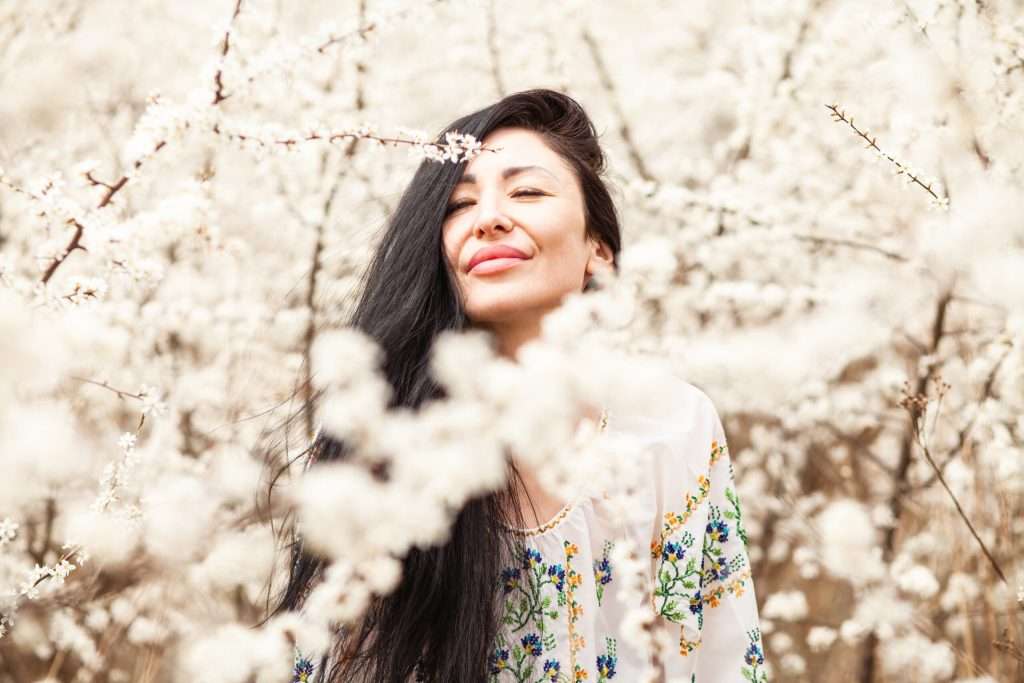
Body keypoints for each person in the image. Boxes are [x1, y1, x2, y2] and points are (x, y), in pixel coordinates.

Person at [269, 89, 768, 682]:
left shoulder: (673, 423)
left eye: (527, 191)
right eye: (457, 205)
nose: (489, 218)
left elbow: (726, 656)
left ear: (598, 250)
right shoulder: (393, 442)